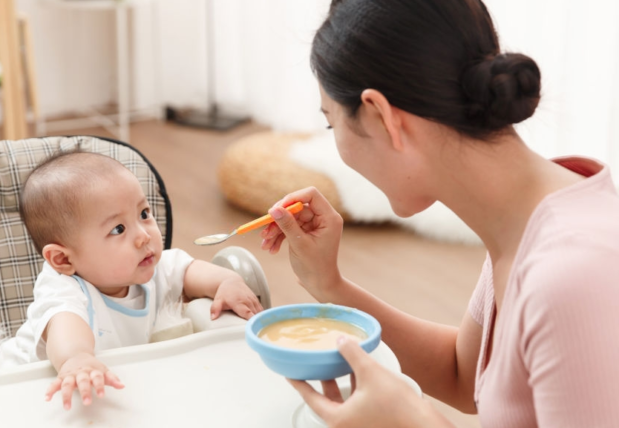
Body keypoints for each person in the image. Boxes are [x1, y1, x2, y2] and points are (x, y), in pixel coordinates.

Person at [259, 0, 619, 426]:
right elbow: (464, 376)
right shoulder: (523, 221)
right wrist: (329, 285)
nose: (335, 143)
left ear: (380, 116)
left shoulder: (574, 273)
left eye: (330, 123)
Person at [0, 150, 264, 410]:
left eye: (144, 214)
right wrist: (76, 358)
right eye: (118, 229)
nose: (144, 235)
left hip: (102, 386)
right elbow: (66, 329)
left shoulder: (150, 266)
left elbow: (190, 271)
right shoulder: (62, 289)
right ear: (63, 260)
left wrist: (226, 281)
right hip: (16, 389)